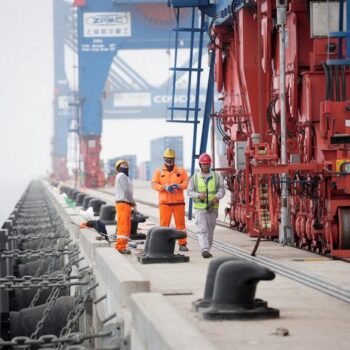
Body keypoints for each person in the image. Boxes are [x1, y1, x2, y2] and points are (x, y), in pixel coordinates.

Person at [187, 153, 225, 258]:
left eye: (208, 164)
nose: (206, 166)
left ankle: (207, 248)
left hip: (213, 208)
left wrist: (217, 197)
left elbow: (222, 189)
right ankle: (204, 249)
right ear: (200, 165)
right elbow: (189, 192)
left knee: (210, 230)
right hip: (200, 209)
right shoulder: (194, 178)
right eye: (204, 164)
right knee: (202, 230)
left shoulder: (217, 177)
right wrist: (199, 195)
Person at [151, 148, 189, 251]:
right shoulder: (158, 171)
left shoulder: (181, 171)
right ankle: (163, 243)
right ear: (164, 158)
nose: (170, 161)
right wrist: (164, 187)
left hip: (178, 203)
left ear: (174, 159)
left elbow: (186, 183)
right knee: (164, 225)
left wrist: (179, 186)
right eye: (168, 159)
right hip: (165, 203)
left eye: (172, 159)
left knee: (180, 225)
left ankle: (182, 244)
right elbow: (154, 184)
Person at [114, 159, 136, 254]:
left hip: (126, 204)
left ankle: (123, 246)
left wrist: (131, 203)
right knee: (123, 226)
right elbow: (126, 190)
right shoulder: (121, 175)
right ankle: (120, 247)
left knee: (126, 226)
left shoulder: (125, 177)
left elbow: (128, 191)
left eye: (126, 164)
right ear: (119, 167)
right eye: (123, 164)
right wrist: (133, 202)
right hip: (123, 204)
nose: (125, 165)